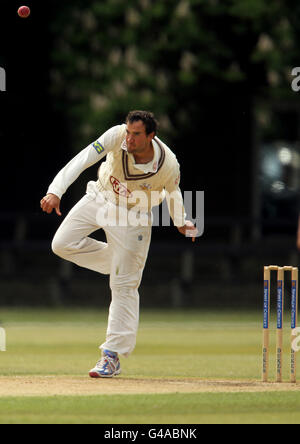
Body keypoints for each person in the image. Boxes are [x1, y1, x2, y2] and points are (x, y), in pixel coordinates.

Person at [40, 110, 198, 378]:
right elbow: (84, 158)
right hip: (99, 197)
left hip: (134, 215)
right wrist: (56, 190)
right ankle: (121, 268)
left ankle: (111, 357)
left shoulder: (168, 164)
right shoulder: (116, 136)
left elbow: (173, 191)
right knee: (62, 243)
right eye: (128, 132)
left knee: (124, 285)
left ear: (151, 136)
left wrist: (181, 220)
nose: (130, 138)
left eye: (136, 134)